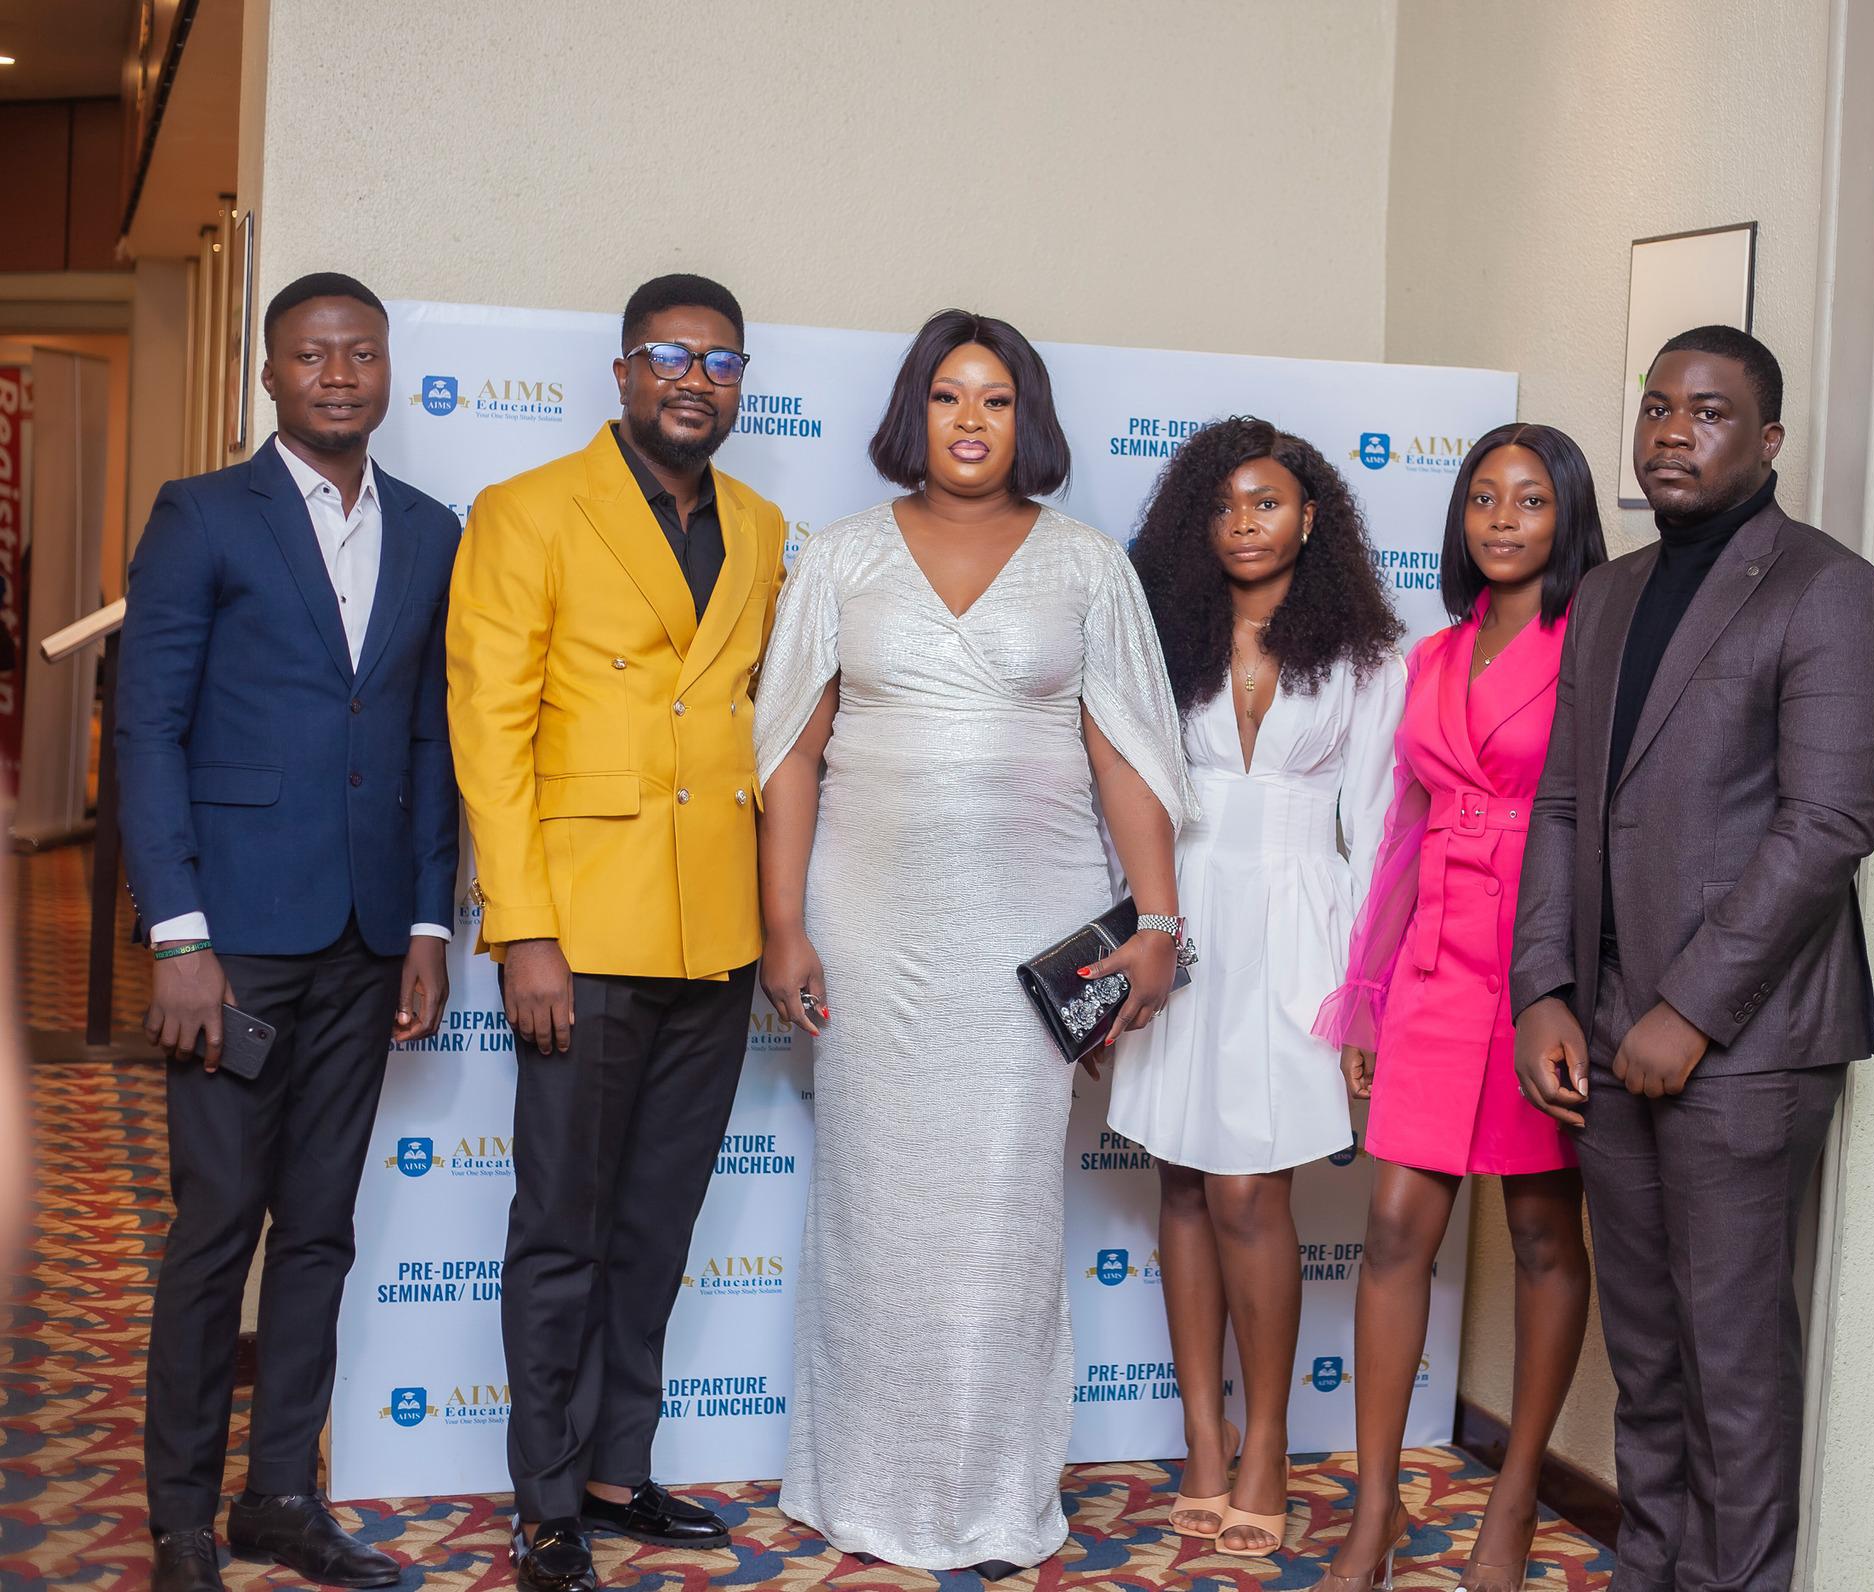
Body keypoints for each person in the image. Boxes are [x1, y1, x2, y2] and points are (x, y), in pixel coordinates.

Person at [753, 310, 1194, 1578]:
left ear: (1026, 421)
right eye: (948, 394)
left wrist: (1156, 920)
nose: (969, 420)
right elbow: (788, 752)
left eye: (995, 399)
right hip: (869, 926)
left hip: (1026, 933)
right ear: (915, 411)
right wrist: (783, 925)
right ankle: (864, 1481)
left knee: (1001, 1214)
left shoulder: (1085, 565)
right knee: (876, 1209)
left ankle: (993, 1492)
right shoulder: (838, 557)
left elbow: (1126, 754)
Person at [1512, 327, 1874, 1592]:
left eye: (1709, 411)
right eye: (1656, 406)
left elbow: (1824, 824)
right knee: (1646, 1354)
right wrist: (1543, 987)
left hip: (1747, 1041)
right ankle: (1650, 1568)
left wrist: (1688, 1006)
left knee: (1728, 1359)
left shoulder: (1827, 589)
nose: (1673, 431)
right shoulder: (1608, 593)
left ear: (1767, 439)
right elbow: (1562, 802)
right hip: (1601, 1028)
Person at [117, 272, 461, 1592]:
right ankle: (180, 1518)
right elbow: (148, 729)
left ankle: (278, 1499)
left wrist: (427, 919)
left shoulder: (429, 529)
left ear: (386, 373)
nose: (336, 375)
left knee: (320, 1228)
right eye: (311, 355)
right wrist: (179, 937)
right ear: (269, 375)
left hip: (367, 940)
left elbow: (425, 737)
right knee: (217, 1227)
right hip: (236, 944)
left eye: (358, 354)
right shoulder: (203, 515)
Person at [446, 273, 786, 1592]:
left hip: (716, 932)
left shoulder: (760, 525)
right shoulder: (528, 510)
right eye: (669, 355)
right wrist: (523, 931)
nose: (695, 380)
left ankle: (613, 1466)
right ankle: (544, 1500)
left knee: (657, 1223)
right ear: (623, 372)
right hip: (580, 934)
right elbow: (491, 735)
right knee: (561, 1228)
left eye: (721, 361)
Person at [1313, 423, 1608, 1592]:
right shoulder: (1429, 655)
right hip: (1436, 960)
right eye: (1482, 496)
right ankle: (1374, 1506)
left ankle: (1517, 1491)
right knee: (1394, 1225)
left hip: (1540, 968)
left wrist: (1577, 987)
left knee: (1541, 1231)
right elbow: (1401, 830)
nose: (1500, 519)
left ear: (1565, 515)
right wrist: (1372, 994)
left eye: (1528, 499)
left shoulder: (1589, 645)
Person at [1109, 416, 1403, 1557]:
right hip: (1178, 917)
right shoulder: (1158, 639)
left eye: (1268, 502)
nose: (1244, 522)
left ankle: (1268, 1439)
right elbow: (1123, 797)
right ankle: (1203, 1436)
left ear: (1310, 516)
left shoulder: (1365, 656)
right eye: (1224, 505)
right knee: (1183, 1181)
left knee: (1248, 1193)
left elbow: (1377, 828)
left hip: (1299, 929)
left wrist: (1364, 990)